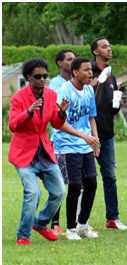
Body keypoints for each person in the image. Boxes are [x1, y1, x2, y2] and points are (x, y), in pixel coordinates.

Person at [9, 58, 69, 245]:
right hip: (24, 155)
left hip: (44, 153)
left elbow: (55, 123)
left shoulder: (51, 95)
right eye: (38, 76)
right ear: (28, 77)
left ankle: (41, 223)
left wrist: (61, 113)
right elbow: (12, 125)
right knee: (33, 193)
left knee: (59, 191)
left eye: (45, 75)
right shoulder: (18, 98)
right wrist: (28, 112)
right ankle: (23, 234)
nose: (42, 79)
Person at [53, 57, 107, 240]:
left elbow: (91, 117)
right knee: (75, 186)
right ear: (75, 72)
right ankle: (70, 229)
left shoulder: (90, 91)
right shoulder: (64, 92)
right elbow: (59, 124)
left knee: (91, 183)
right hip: (67, 146)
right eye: (86, 70)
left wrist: (95, 140)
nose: (90, 73)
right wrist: (85, 137)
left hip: (85, 145)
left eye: (91, 70)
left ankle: (83, 225)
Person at [89, 37, 127, 231]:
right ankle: (82, 222)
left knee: (110, 177)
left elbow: (109, 108)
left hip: (107, 133)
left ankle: (112, 218)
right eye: (104, 46)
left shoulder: (111, 74)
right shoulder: (87, 72)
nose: (109, 49)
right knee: (84, 179)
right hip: (87, 135)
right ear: (95, 52)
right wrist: (94, 85)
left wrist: (117, 106)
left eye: (110, 45)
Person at [47, 49, 75, 236]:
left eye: (74, 59)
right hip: (60, 140)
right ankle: (54, 223)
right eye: (68, 59)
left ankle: (78, 222)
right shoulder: (55, 84)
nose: (72, 62)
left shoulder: (78, 84)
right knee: (60, 182)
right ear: (60, 63)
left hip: (77, 140)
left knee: (79, 182)